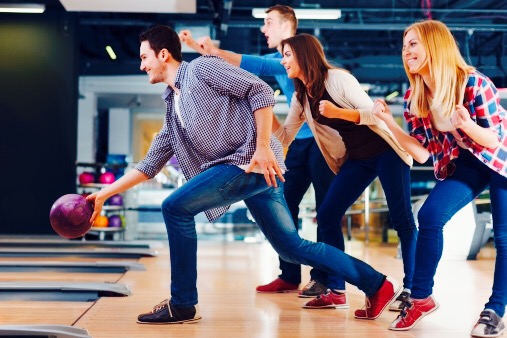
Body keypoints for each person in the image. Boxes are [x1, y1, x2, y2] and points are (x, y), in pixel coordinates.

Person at [86, 25, 401, 325]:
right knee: (291, 248)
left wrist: (263, 147)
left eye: (144, 57)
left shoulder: (201, 69)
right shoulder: (172, 103)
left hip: (246, 163)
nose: (142, 66)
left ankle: (182, 302)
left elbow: (260, 91)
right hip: (251, 171)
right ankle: (376, 284)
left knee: (175, 208)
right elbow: (149, 164)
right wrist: (103, 194)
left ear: (164, 54)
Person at [179, 5, 336, 300]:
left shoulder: (297, 54)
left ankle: (324, 279)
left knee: (326, 211)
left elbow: (253, 65)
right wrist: (194, 47)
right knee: (285, 204)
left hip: (321, 142)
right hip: (297, 143)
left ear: (288, 26)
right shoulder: (279, 59)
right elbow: (244, 66)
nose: (264, 29)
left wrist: (211, 49)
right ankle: (289, 275)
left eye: (269, 23)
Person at [372, 20, 507, 336]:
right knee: (430, 215)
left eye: (414, 43)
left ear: (435, 45)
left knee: (503, 236)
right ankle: (421, 297)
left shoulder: (473, 84)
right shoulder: (416, 97)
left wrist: (467, 126)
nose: (407, 51)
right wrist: (389, 124)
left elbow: (493, 140)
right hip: (467, 162)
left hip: (500, 159)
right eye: (404, 46)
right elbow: (420, 153)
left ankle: (495, 309)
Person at [274, 33, 418, 311]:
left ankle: (411, 288)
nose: (283, 61)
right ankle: (336, 287)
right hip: (358, 158)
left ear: (304, 55)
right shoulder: (301, 95)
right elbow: (286, 135)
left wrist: (337, 113)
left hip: (387, 152)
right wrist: (262, 131)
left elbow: (374, 114)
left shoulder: (338, 79)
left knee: (402, 220)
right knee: (327, 215)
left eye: (288, 54)